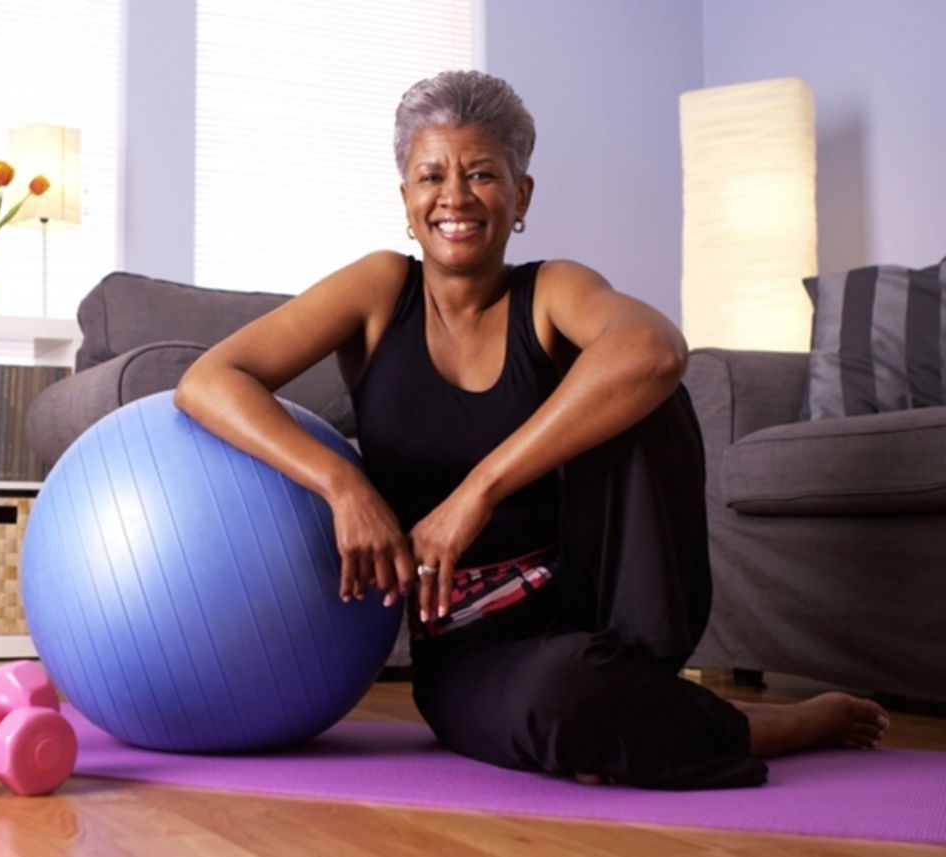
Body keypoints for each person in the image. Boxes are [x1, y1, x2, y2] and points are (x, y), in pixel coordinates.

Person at [174, 70, 889, 789]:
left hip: (609, 602)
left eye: (482, 173)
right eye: (431, 176)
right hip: (471, 644)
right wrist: (344, 484)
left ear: (521, 195)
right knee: (565, 705)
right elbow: (210, 380)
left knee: (643, 386)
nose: (454, 197)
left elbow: (657, 349)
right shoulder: (378, 289)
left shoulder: (550, 291)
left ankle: (661, 697)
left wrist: (476, 492)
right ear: (406, 200)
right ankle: (747, 722)